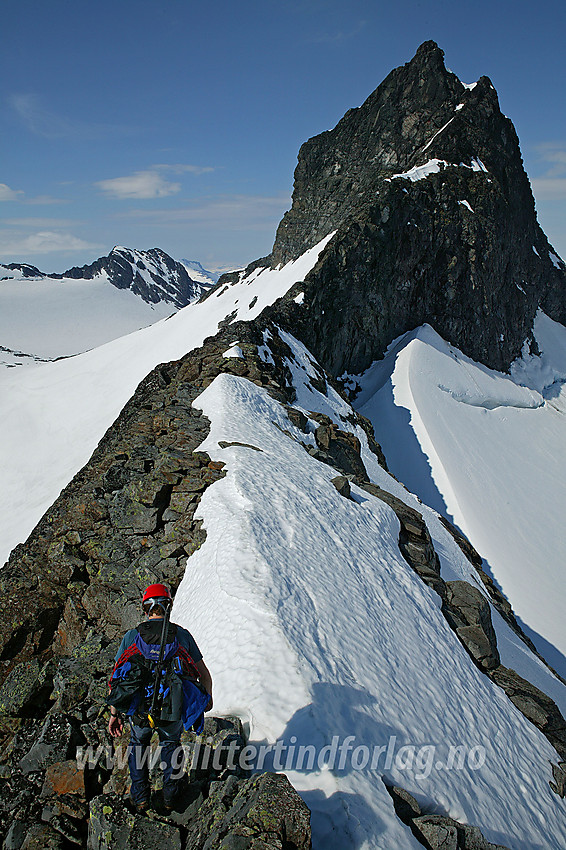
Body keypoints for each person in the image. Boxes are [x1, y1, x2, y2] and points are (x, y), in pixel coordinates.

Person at [107, 583, 213, 813]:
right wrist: (207, 700)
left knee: (138, 746)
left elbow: (117, 677)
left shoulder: (132, 636)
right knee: (171, 745)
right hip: (171, 707)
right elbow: (204, 675)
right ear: (168, 606)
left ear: (146, 607)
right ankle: (171, 798)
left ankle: (141, 798)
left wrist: (114, 714)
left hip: (139, 709)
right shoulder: (181, 635)